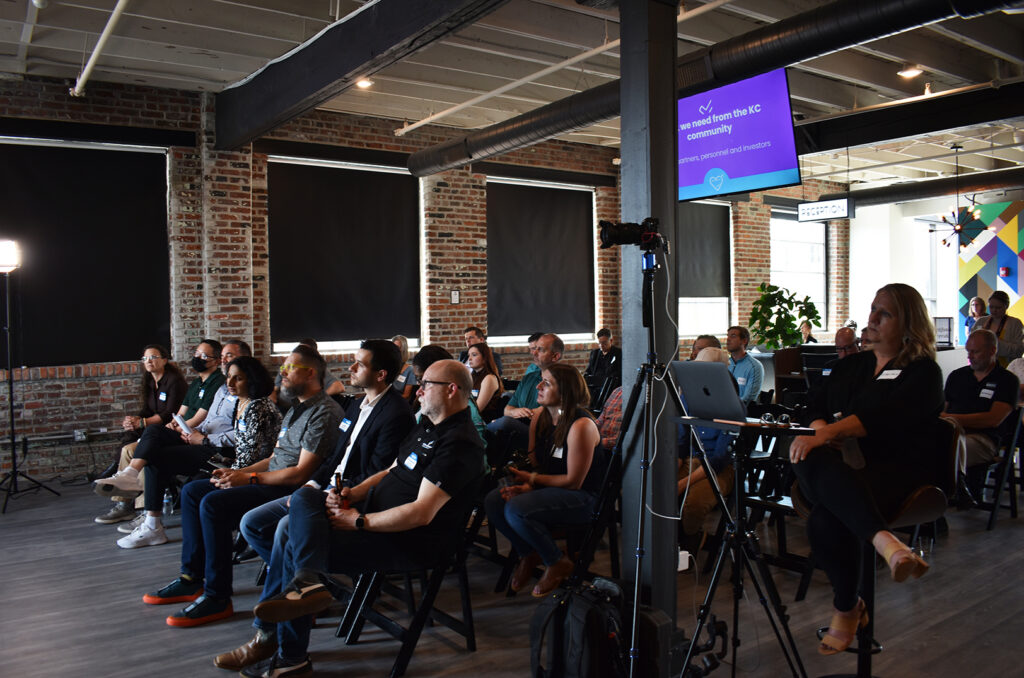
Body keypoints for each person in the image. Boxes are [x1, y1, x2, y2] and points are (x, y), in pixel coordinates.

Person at [216, 359, 484, 677]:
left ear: (452, 389)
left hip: (407, 540)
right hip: (371, 516)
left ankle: (280, 640)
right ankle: (304, 588)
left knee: (289, 533)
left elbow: (421, 513)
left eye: (427, 384)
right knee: (305, 497)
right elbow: (392, 469)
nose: (419, 389)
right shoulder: (429, 423)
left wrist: (358, 521)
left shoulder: (460, 443)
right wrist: (353, 494)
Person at [789, 283, 942, 656]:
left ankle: (846, 608)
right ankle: (885, 543)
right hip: (839, 469)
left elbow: (881, 418)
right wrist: (823, 431)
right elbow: (811, 404)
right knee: (802, 451)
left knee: (823, 521)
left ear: (908, 324)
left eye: (884, 314)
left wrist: (827, 435)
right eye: (872, 310)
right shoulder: (851, 365)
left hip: (893, 472)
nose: (871, 320)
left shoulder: (923, 372)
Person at [141, 345, 342, 627]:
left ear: (309, 373)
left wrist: (247, 478)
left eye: (288, 368)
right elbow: (274, 457)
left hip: (287, 490)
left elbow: (299, 474)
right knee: (192, 491)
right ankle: (191, 578)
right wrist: (236, 472)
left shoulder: (324, 412)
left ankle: (217, 595)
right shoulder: (297, 408)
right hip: (269, 477)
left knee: (213, 504)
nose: (281, 374)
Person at [115, 354, 281, 549]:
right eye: (229, 376)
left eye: (238, 378)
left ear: (252, 380)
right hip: (220, 453)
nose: (230, 382)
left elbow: (250, 454)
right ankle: (150, 518)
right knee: (155, 445)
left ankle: (162, 530)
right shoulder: (239, 401)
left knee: (187, 484)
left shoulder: (258, 407)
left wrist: (209, 447)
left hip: (233, 460)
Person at [485, 363, 604, 598]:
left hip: (584, 498)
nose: (538, 386)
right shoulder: (540, 417)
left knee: (517, 509)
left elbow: (573, 482)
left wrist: (531, 480)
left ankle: (556, 561)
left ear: (566, 392)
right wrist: (526, 484)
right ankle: (528, 553)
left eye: (546, 383)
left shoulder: (581, 425)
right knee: (494, 500)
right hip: (552, 488)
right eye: (541, 380)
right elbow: (536, 464)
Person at [95, 339, 226, 500]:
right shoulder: (196, 382)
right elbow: (180, 412)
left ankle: (135, 501)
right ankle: (126, 490)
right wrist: (172, 424)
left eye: (204, 355)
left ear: (217, 360)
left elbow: (200, 416)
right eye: (197, 354)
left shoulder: (216, 382)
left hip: (193, 434)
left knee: (138, 448)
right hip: (179, 430)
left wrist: (175, 428)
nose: (198, 358)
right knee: (137, 443)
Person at [94, 344, 186, 525]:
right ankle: (123, 504)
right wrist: (134, 419)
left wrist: (143, 423)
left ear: (165, 360)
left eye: (153, 357)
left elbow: (171, 413)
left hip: (169, 431)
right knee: (127, 444)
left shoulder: (174, 381)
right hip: (152, 428)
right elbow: (146, 409)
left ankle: (143, 509)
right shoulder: (150, 381)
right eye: (145, 358)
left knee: (137, 451)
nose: (149, 361)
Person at [942, 329, 1018, 500]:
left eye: (976, 352)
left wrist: (953, 420)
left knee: (946, 450)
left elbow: (993, 419)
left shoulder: (1007, 380)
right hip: (951, 433)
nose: (970, 356)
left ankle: (948, 495)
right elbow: (943, 409)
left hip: (983, 440)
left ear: (992, 351)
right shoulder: (957, 376)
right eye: (968, 351)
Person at [676, 347, 736, 554]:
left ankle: (690, 542)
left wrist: (682, 483)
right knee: (656, 489)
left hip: (720, 468)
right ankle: (674, 541)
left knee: (693, 504)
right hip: (691, 460)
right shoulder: (690, 395)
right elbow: (681, 441)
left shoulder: (730, 405)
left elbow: (719, 459)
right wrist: (675, 465)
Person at [486, 333, 563, 457]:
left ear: (555, 356)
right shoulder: (529, 378)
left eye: (540, 350)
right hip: (521, 426)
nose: (534, 353)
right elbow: (507, 409)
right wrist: (515, 412)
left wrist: (524, 414)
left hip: (545, 435)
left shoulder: (563, 380)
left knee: (504, 423)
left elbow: (556, 413)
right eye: (534, 349)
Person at [270, 338, 345, 408]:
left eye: (304, 351)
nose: (282, 373)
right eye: (298, 349)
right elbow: (275, 387)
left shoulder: (324, 414)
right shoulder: (285, 368)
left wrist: (315, 400)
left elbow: (339, 387)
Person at [972, 290, 1024, 367]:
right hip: (982, 367)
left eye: (998, 307)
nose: (994, 310)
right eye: (991, 307)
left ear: (1006, 306)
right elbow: (972, 344)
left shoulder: (1016, 324)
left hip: (1007, 368)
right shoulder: (981, 321)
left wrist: (993, 342)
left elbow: (1019, 351)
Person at [725, 326, 764, 405]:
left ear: (744, 341)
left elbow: (748, 399)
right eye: (727, 336)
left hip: (744, 412)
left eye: (733, 336)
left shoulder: (755, 366)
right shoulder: (724, 364)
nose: (728, 339)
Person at [467, 341, 503, 422]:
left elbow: (477, 409)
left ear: (484, 358)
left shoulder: (489, 378)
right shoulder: (471, 376)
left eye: (474, 355)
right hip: (471, 419)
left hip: (483, 422)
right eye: (468, 355)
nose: (469, 358)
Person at [583, 328, 622, 396]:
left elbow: (618, 373)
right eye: (599, 343)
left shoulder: (618, 353)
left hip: (608, 385)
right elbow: (589, 369)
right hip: (594, 383)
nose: (601, 345)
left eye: (604, 343)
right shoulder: (594, 353)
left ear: (611, 341)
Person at [390, 334, 418, 401]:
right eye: (393, 347)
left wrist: (390, 401)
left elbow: (406, 395)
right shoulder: (388, 367)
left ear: (403, 350)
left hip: (399, 403)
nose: (395, 350)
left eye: (398, 348)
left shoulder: (410, 370)